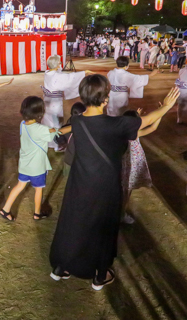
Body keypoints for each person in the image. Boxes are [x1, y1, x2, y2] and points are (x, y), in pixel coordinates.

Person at [49, 75, 179, 290]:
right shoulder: (117, 124)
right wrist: (166, 106)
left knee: (73, 221)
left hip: (79, 182)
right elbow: (146, 122)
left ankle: (61, 267)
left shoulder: (77, 121)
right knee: (103, 225)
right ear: (105, 99)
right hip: (104, 183)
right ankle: (99, 275)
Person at [0, 96, 68, 222]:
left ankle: (5, 209)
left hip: (24, 164)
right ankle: (37, 213)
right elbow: (58, 132)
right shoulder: (41, 129)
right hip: (37, 167)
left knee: (19, 186)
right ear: (39, 113)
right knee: (39, 189)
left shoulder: (22, 124)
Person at [120, 109, 161, 224]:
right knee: (125, 193)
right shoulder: (135, 133)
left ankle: (120, 213)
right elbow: (152, 127)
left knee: (123, 192)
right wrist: (159, 114)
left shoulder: (120, 133)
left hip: (122, 167)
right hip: (129, 168)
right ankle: (121, 214)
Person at [41, 55, 90, 149]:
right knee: (55, 122)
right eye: (59, 62)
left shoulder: (48, 73)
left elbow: (63, 75)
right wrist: (84, 73)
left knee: (48, 120)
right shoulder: (57, 76)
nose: (60, 64)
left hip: (48, 100)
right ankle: (56, 144)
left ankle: (49, 143)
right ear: (56, 65)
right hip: (55, 103)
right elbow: (70, 78)